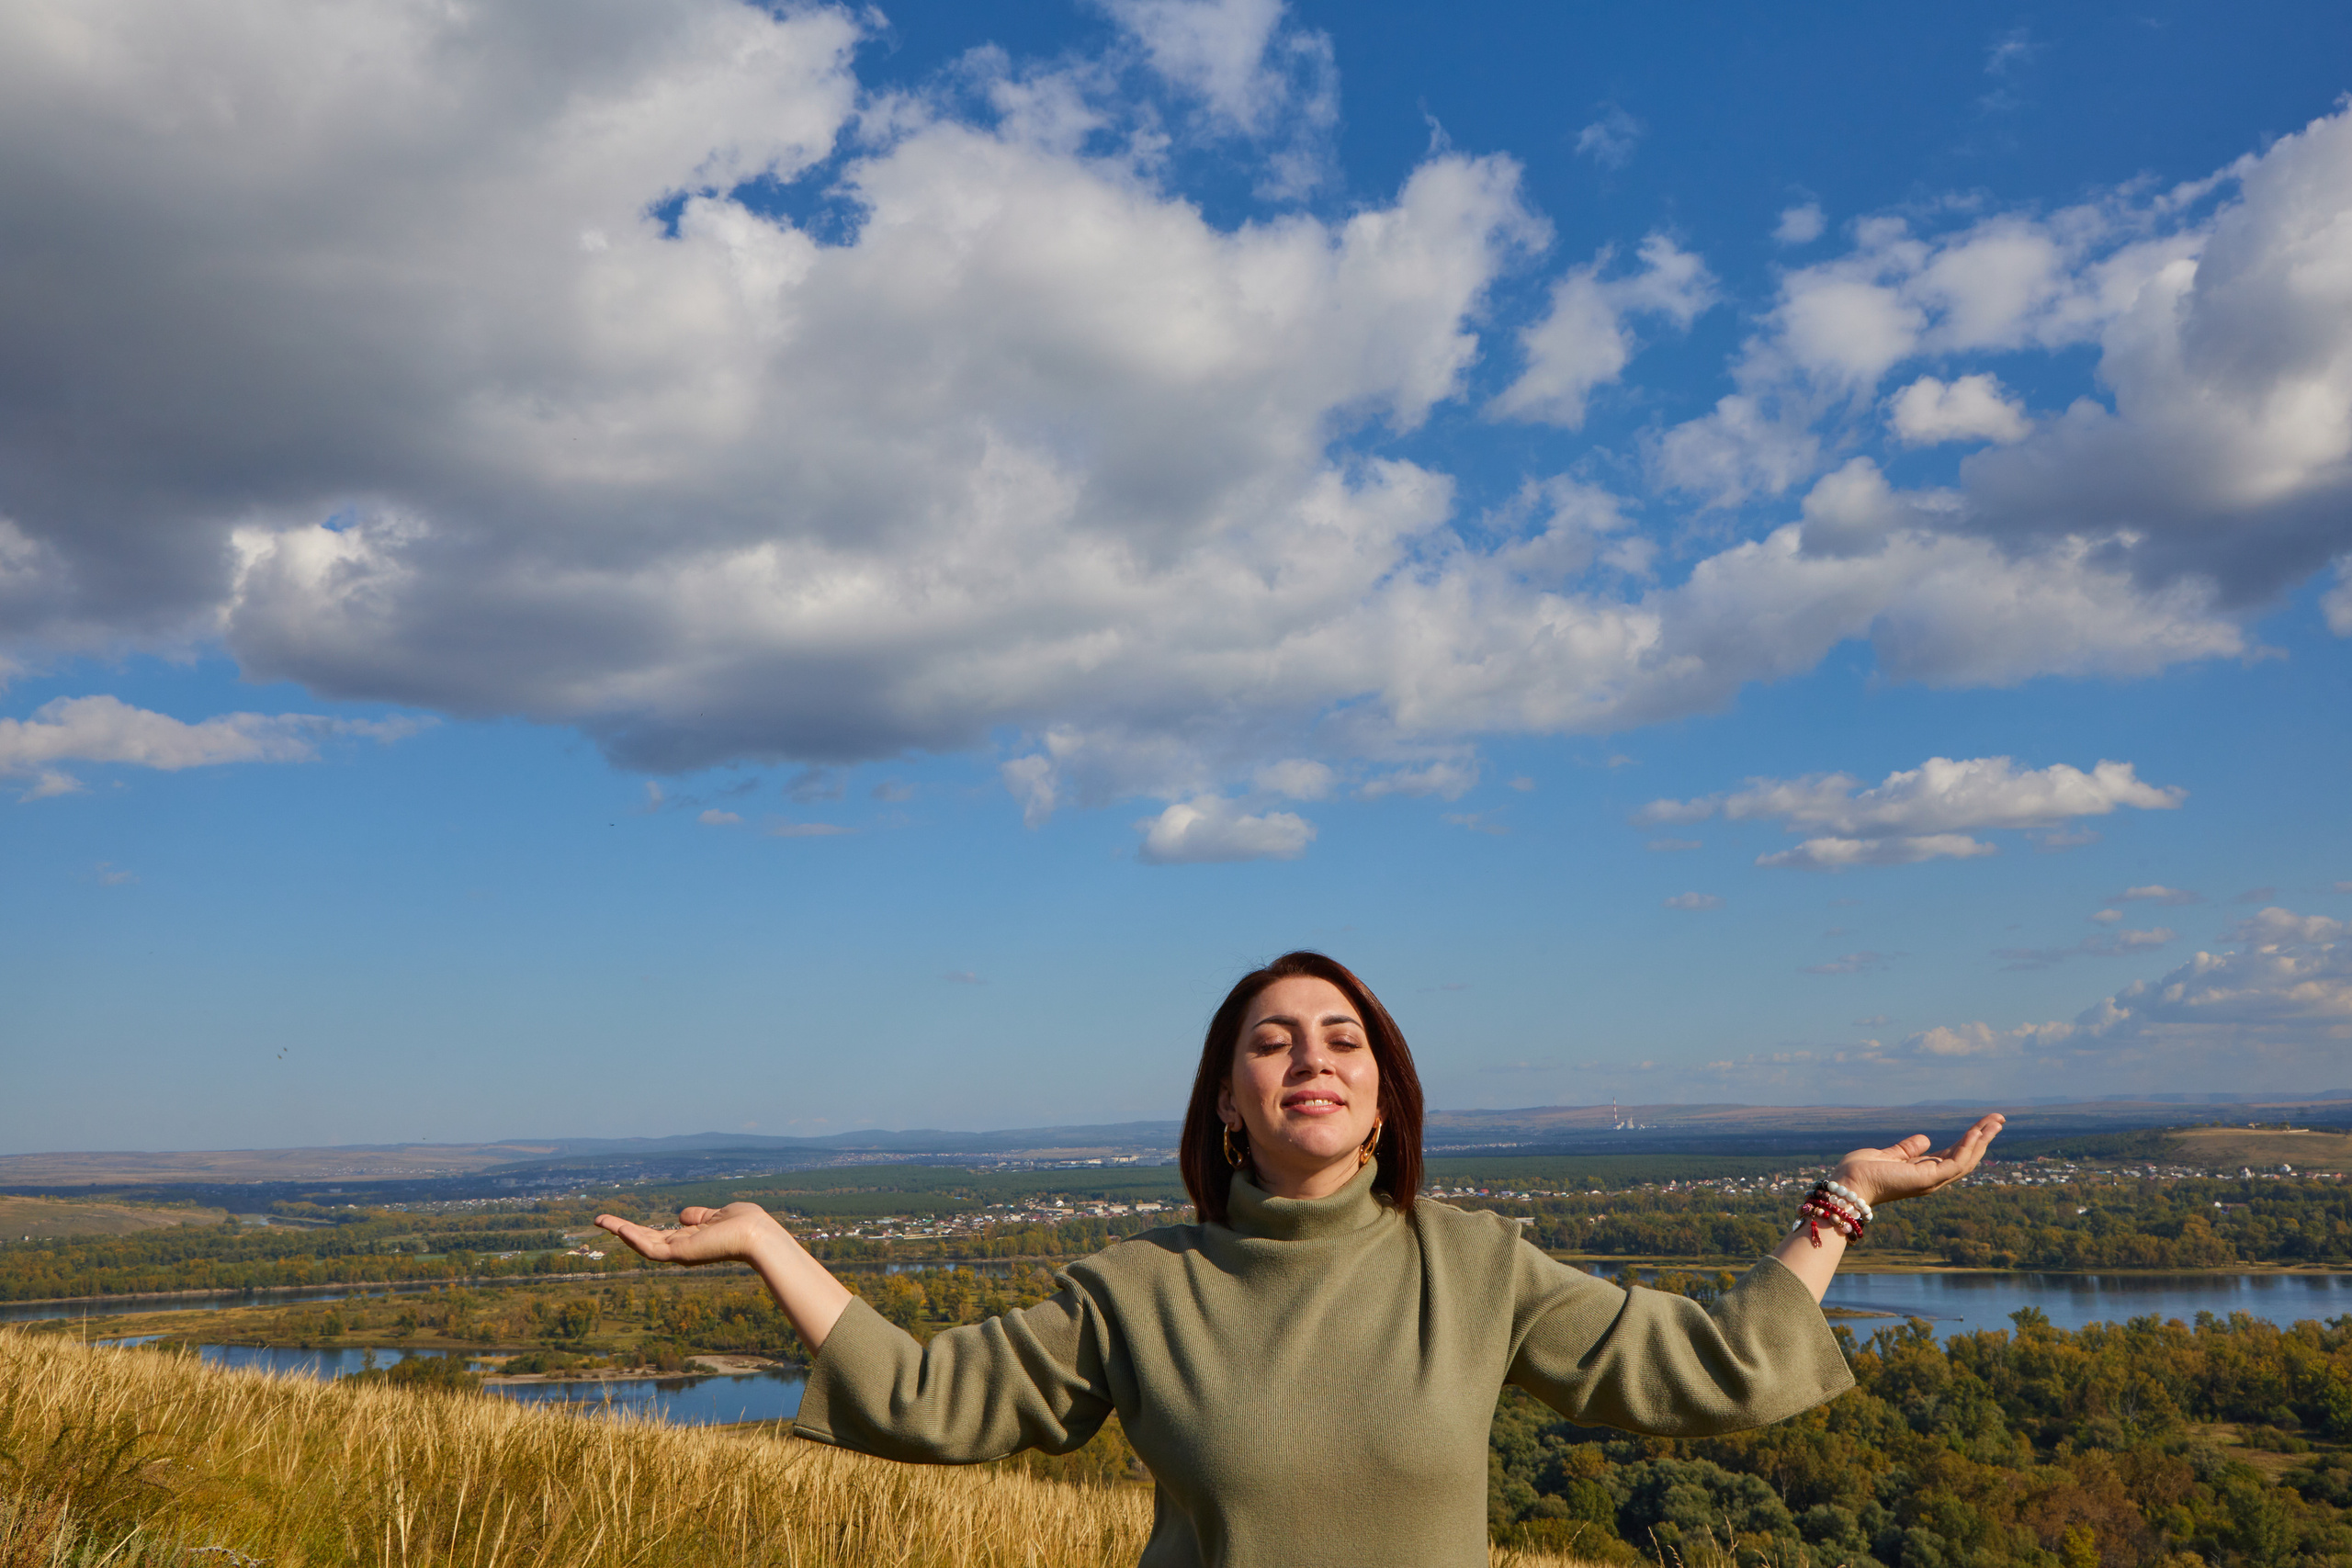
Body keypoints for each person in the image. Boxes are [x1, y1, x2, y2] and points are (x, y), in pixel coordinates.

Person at [596, 951, 2004, 1568]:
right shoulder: (1134, 1291)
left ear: (1385, 1097)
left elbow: (1715, 1369)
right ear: (1226, 1101)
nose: (1309, 1059)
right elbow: (923, 1405)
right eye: (1270, 1041)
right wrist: (769, 1246)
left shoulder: (1477, 1268)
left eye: (1343, 1042)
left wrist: (1847, 1204)